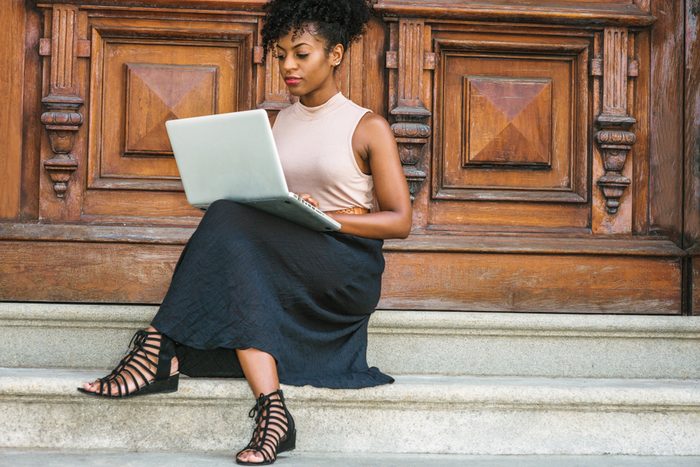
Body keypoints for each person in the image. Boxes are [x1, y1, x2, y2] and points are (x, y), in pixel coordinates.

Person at [77, 0, 411, 464]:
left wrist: (332, 216)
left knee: (232, 221)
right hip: (284, 259)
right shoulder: (273, 124)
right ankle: (273, 414)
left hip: (343, 267)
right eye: (280, 55)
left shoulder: (366, 126)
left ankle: (158, 347)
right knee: (229, 216)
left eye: (301, 53)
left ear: (334, 54)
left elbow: (400, 221)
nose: (288, 66)